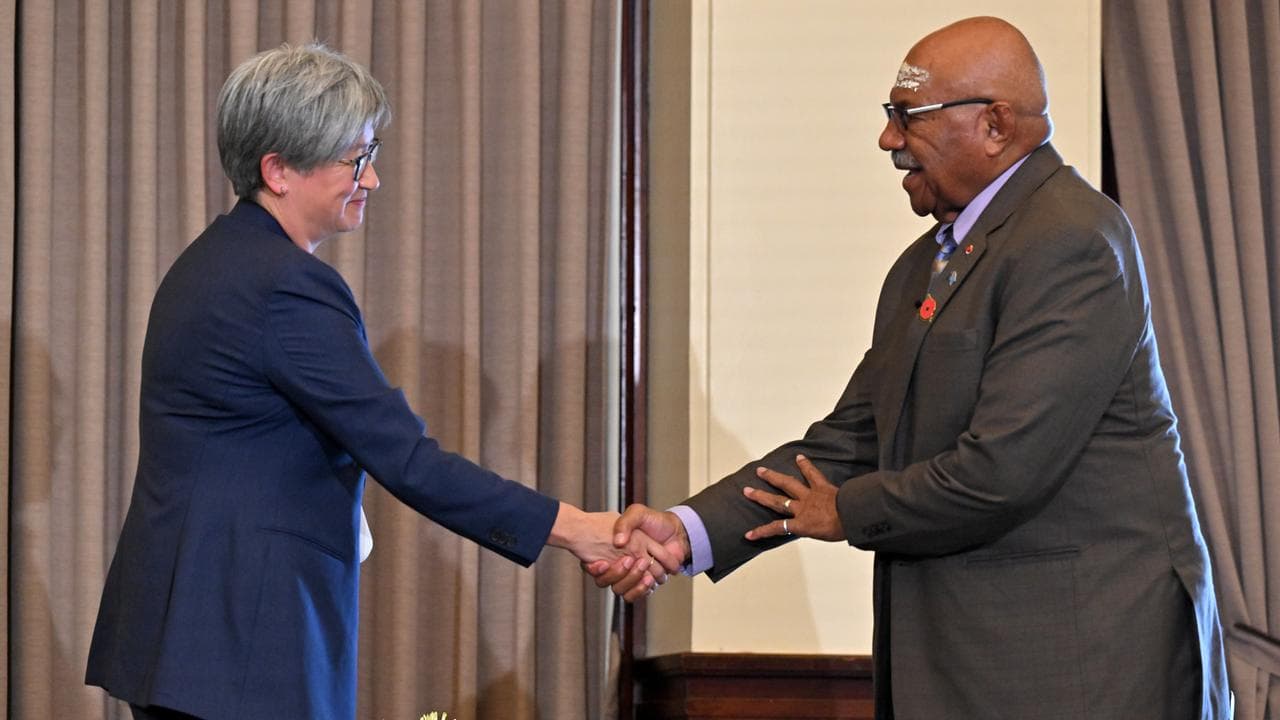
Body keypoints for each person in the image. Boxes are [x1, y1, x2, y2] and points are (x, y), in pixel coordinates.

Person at [589, 16, 1232, 719]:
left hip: (1075, 668)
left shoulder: (1073, 240)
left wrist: (846, 511)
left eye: (908, 116)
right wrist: (687, 532)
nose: (888, 139)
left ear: (994, 124)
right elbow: (849, 443)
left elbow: (1001, 473)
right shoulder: (923, 267)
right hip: (969, 666)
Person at [85, 43, 677, 720]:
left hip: (187, 636)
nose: (372, 178)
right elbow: (407, 459)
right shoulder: (286, 286)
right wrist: (579, 529)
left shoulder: (209, 263)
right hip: (242, 643)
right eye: (355, 159)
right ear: (278, 170)